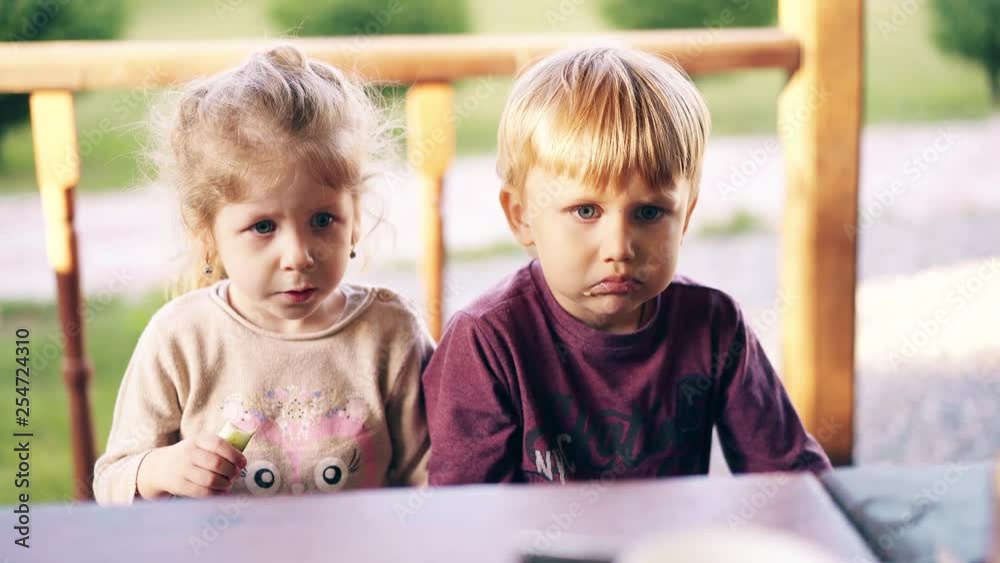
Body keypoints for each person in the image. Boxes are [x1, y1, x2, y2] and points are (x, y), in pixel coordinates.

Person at [422, 46, 831, 485]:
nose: (619, 247)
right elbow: (467, 519)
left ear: (686, 216)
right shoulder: (487, 342)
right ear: (522, 215)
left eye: (650, 213)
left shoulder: (714, 326)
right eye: (585, 211)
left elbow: (792, 480)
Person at [93, 45, 432, 504]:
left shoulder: (391, 332)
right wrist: (161, 468)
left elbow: (431, 478)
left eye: (322, 220)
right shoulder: (181, 339)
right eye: (263, 227)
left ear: (354, 216)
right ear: (209, 234)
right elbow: (111, 481)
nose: (298, 255)